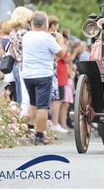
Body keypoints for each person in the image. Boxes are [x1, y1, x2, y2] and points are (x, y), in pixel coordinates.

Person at [22, 11, 64, 145]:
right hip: (43, 75)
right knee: (42, 107)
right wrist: (61, 41)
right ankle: (39, 135)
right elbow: (60, 52)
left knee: (33, 103)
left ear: (32, 23)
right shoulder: (47, 38)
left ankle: (29, 128)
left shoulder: (26, 36)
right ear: (46, 24)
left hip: (28, 74)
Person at [9, 6, 34, 116]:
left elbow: (11, 51)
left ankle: (19, 120)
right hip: (26, 65)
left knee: (20, 95)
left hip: (17, 64)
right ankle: (24, 120)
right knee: (26, 98)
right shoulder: (25, 33)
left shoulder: (13, 32)